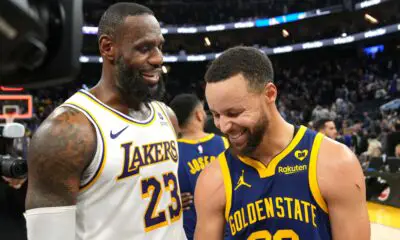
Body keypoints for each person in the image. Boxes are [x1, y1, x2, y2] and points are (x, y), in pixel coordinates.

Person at [24, 3, 187, 240]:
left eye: (160, 47)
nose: (158, 58)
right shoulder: (67, 131)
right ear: (108, 47)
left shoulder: (167, 116)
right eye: (145, 48)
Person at [194, 46, 370, 240]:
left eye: (234, 113)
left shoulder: (336, 162)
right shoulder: (213, 179)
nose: (224, 126)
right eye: (216, 115)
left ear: (269, 94)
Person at [169, 94, 229, 240]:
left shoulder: (170, 150)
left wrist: (170, 201)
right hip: (224, 226)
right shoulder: (223, 143)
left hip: (188, 230)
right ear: (199, 115)